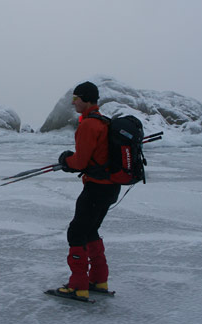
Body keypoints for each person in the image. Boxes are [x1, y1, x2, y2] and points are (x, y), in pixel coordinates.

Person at [55, 81, 121, 299]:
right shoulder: (105, 122)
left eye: (76, 98)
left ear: (85, 99)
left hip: (95, 188)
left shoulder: (88, 125)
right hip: (111, 188)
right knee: (90, 231)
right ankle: (99, 280)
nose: (73, 102)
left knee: (76, 233)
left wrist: (66, 160)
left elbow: (81, 162)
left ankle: (78, 286)